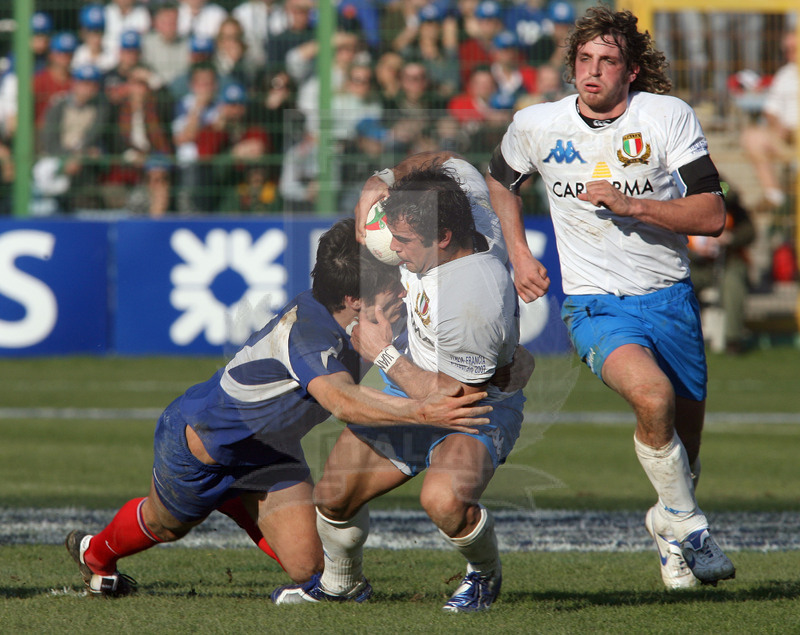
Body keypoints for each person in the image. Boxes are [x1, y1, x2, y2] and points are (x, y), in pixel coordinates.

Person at [65, 217, 492, 597]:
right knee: (166, 526)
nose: (402, 290)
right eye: (389, 285)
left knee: (314, 573)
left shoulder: (366, 314)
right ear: (354, 298)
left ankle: (240, 501)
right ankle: (94, 554)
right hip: (201, 447)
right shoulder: (307, 335)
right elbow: (342, 401)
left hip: (268, 454)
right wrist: (423, 412)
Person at [484, 5, 736, 589]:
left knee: (685, 454)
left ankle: (668, 523)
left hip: (670, 300)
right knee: (652, 398)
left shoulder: (665, 116)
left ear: (631, 73)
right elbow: (501, 180)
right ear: (573, 65)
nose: (593, 71)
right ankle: (690, 526)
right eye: (585, 59)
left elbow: (713, 213)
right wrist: (520, 254)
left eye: (609, 61)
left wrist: (634, 205)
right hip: (596, 304)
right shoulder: (536, 124)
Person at [273, 152, 530, 612]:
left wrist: (382, 354)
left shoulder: (473, 298)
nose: (393, 248)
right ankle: (341, 585)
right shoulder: (463, 197)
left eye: (404, 240)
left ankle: (484, 573)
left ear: (444, 237)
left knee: (445, 502)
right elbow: (445, 158)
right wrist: (382, 178)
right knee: (334, 496)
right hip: (422, 376)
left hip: (477, 404)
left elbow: (453, 400)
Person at [688, 181, 756, 355]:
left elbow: (749, 232)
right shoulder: (681, 192)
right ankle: (684, 337)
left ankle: (733, 339)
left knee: (733, 283)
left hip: (726, 262)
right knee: (680, 285)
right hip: (693, 264)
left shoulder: (724, 191)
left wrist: (730, 238)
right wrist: (694, 253)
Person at [740, 29, 797, 213]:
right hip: (789, 138)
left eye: (793, 49)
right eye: (787, 50)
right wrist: (777, 125)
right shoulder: (786, 74)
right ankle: (774, 195)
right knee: (752, 136)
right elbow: (771, 111)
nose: (789, 54)